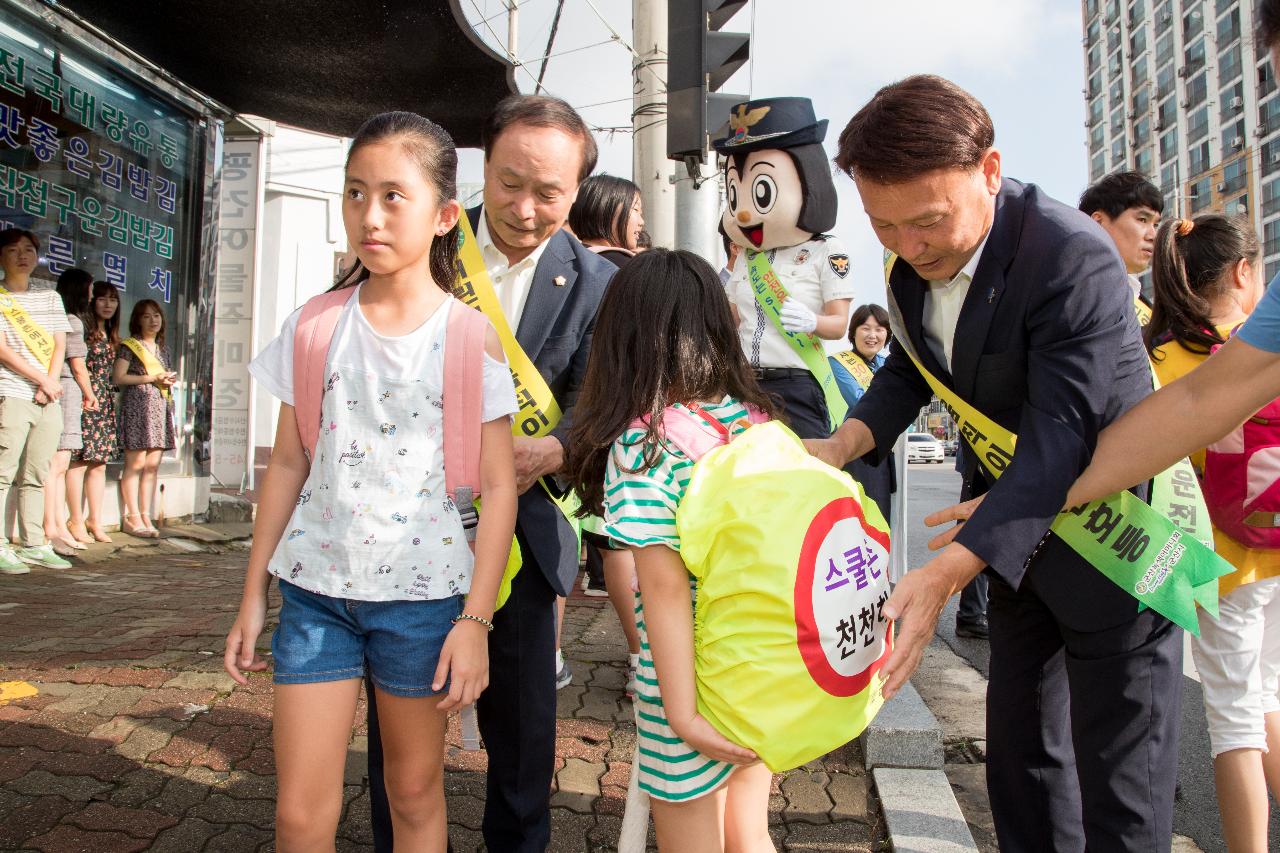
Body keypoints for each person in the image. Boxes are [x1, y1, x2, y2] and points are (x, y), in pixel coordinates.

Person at [806, 75, 1179, 852]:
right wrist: (844, 443)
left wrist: (942, 575)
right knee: (1021, 755)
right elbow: (911, 370)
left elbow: (1059, 441)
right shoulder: (910, 264)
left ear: (990, 169)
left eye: (928, 221)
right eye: (885, 225)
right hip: (1013, 543)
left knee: (1121, 775)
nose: (910, 246)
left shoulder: (1069, 258)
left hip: (1115, 536)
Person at [223, 110, 518, 851]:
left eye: (393, 195)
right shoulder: (314, 326)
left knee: (414, 793)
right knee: (297, 811)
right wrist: (252, 591)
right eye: (356, 193)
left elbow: (499, 483)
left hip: (424, 605)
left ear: (446, 214)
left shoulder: (468, 335)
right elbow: (289, 459)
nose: (369, 215)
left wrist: (475, 622)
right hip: (316, 596)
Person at [363, 94, 615, 853]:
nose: (526, 208)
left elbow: (605, 402)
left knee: (524, 728)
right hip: (405, 525)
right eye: (510, 183)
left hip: (526, 534)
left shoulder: (599, 283)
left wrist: (562, 447)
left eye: (550, 193)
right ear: (481, 166)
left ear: (577, 192)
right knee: (400, 725)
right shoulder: (424, 238)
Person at [564, 248, 775, 853]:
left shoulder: (645, 443)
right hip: (754, 665)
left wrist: (681, 715)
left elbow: (662, 587)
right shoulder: (752, 423)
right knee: (749, 831)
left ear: (623, 338)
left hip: (686, 680)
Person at [718, 97, 852, 440]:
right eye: (735, 195)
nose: (744, 213)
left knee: (806, 476)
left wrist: (814, 322)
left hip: (798, 383)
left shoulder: (826, 250)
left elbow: (838, 326)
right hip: (745, 384)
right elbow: (732, 320)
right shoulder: (747, 257)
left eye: (761, 191)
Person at [566, 173, 644, 691]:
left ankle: (545, 657)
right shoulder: (629, 272)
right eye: (634, 209)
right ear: (611, 210)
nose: (641, 220)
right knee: (628, 542)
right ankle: (644, 652)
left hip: (571, 420)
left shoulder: (561, 264)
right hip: (631, 417)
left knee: (574, 536)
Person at [0, 229, 72, 573]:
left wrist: (51, 382)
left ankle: (32, 543)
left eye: (29, 249)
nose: (22, 255)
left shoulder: (49, 297)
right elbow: (2, 349)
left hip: (48, 396)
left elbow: (60, 344)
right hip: (11, 391)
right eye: (13, 250)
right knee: (3, 472)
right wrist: (41, 379)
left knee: (35, 473)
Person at [44, 268, 99, 554]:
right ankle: (53, 528)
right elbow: (78, 365)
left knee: (59, 465)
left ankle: (58, 526)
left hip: (62, 389)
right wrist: (90, 394)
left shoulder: (64, 319)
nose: (92, 296)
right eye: (90, 289)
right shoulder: (73, 321)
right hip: (67, 390)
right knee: (58, 464)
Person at [112, 300, 176, 538]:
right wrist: (151, 378)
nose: (153, 320)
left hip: (159, 407)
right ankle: (132, 516)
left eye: (156, 315)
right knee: (135, 463)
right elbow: (119, 377)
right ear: (137, 320)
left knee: (152, 466)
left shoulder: (164, 349)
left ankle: (145, 514)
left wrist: (166, 380)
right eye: (147, 316)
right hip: (138, 406)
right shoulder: (130, 346)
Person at [828, 304, 896, 520]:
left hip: (885, 450)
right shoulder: (839, 363)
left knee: (883, 514)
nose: (872, 335)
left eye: (879, 329)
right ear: (853, 332)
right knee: (861, 515)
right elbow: (860, 400)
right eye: (866, 328)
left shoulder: (889, 364)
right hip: (856, 449)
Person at [68, 281, 121, 543]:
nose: (108, 304)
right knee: (78, 463)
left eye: (113, 299)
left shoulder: (112, 335)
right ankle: (75, 520)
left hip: (104, 403)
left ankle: (94, 520)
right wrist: (88, 394)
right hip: (84, 400)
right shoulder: (83, 329)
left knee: (99, 464)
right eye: (102, 299)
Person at [1078, 170, 1163, 301]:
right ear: (1097, 222)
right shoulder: (1070, 287)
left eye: (1155, 225)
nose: (1153, 235)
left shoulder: (1140, 304)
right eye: (1142, 220)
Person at [567, 174, 645, 268]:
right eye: (635, 209)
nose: (641, 222)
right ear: (606, 210)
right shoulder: (626, 267)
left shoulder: (564, 260)